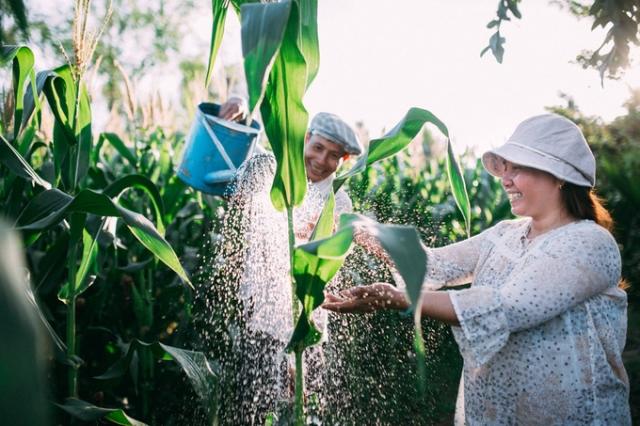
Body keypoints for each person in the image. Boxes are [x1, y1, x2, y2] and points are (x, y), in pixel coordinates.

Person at [323, 113, 631, 425]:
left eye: (518, 168)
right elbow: (432, 264)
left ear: (559, 174)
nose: (505, 179)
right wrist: (351, 226)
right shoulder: (505, 234)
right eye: (505, 168)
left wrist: (398, 297)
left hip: (572, 414)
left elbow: (509, 307)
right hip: (498, 411)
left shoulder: (589, 243)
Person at [202, 97, 362, 423]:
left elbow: (326, 255)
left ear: (344, 160)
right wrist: (235, 114)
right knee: (256, 410)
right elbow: (222, 163)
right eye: (317, 147)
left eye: (334, 156)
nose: (321, 160)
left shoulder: (338, 199)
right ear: (305, 138)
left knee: (301, 409)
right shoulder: (270, 170)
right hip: (259, 318)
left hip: (307, 324)